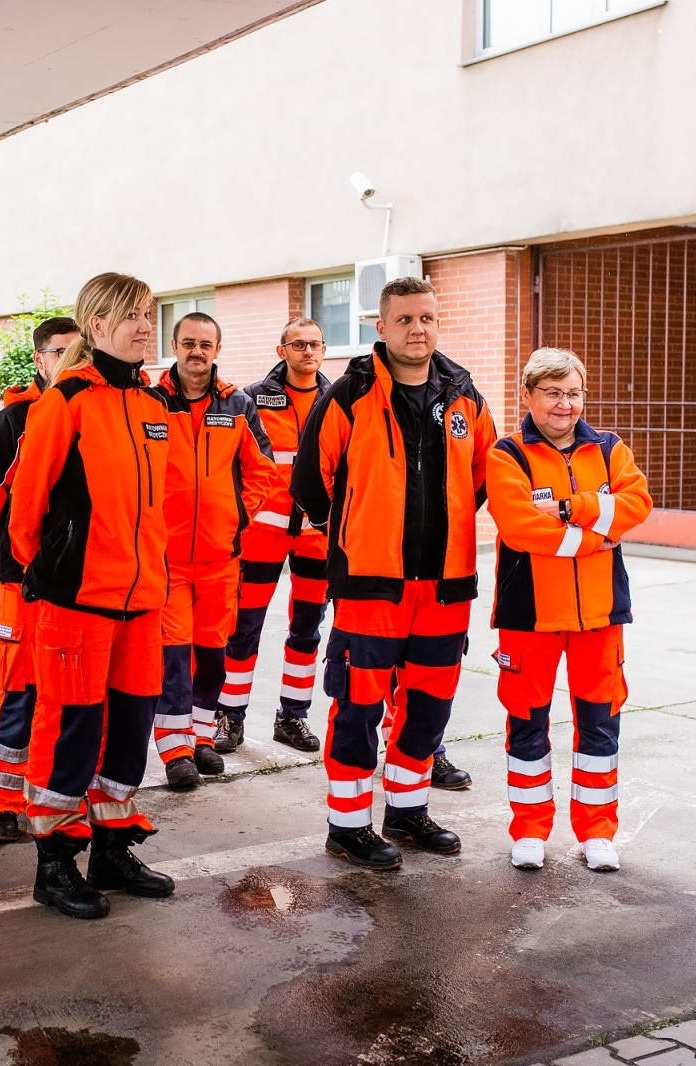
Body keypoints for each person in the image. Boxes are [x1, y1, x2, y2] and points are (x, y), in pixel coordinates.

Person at [292, 276, 496, 870]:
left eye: (427, 318)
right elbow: (311, 480)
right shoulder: (349, 393)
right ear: (380, 327)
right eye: (404, 319)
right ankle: (348, 825)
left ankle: (407, 812)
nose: (417, 329)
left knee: (429, 705)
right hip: (369, 585)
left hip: (445, 585)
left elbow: (481, 476)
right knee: (358, 705)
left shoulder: (464, 395)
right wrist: (360, 529)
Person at [8, 272, 174, 919]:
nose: (141, 325)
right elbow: (24, 516)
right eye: (127, 315)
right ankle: (54, 866)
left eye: (145, 314)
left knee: (129, 732)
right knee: (70, 732)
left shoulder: (152, 405)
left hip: (141, 603)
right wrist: (60, 573)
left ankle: (112, 848)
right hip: (76, 603)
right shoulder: (66, 401)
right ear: (95, 326)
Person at [486, 348, 652, 872]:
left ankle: (597, 832)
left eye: (574, 392)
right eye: (554, 393)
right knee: (527, 722)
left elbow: (638, 503)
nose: (565, 404)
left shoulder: (609, 448)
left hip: (601, 614)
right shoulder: (505, 454)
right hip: (529, 616)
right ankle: (530, 830)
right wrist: (595, 534)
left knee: (601, 726)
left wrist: (568, 508)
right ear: (528, 395)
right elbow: (518, 528)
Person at [152, 312, 275, 789]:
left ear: (217, 350)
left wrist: (238, 517)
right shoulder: (152, 401)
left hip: (221, 558)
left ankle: (203, 738)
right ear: (174, 345)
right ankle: (176, 749)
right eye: (188, 342)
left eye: (205, 343)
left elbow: (262, 468)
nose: (196, 351)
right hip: (167, 560)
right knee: (173, 659)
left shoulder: (239, 404)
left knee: (212, 656)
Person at [0, 315, 80, 843]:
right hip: (20, 585)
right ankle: (1, 804)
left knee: (62, 699)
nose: (71, 360)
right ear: (39, 359)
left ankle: (48, 801)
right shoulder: (11, 423)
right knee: (17, 692)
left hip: (73, 592)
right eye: (60, 352)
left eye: (78, 351)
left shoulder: (88, 410)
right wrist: (28, 559)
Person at [217, 319, 333, 755]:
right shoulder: (251, 398)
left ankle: (293, 717)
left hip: (315, 538)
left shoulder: (337, 398)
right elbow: (237, 463)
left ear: (323, 350)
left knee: (306, 629)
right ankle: (230, 715)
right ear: (281, 350)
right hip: (262, 535)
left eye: (315, 344)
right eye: (298, 344)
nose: (308, 351)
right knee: (244, 628)